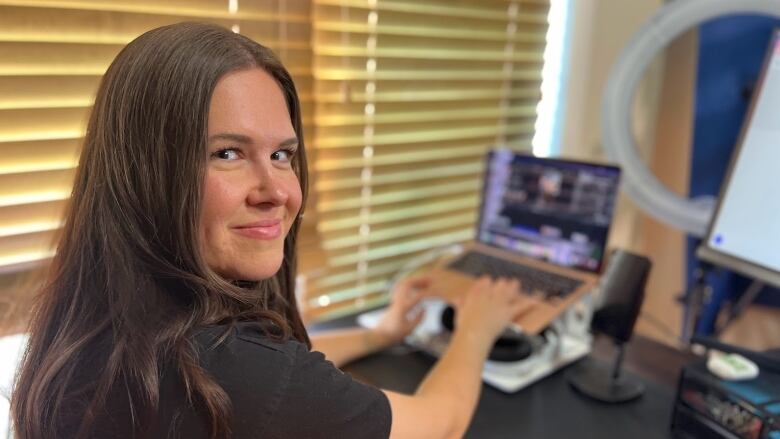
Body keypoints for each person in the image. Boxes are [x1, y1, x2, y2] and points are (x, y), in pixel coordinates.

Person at [11, 22, 533, 439]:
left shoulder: (96, 329)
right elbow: (441, 424)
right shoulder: (238, 376)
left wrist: (381, 333)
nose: (276, 191)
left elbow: (283, 375)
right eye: (228, 153)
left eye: (282, 155)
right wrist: (476, 330)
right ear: (144, 174)